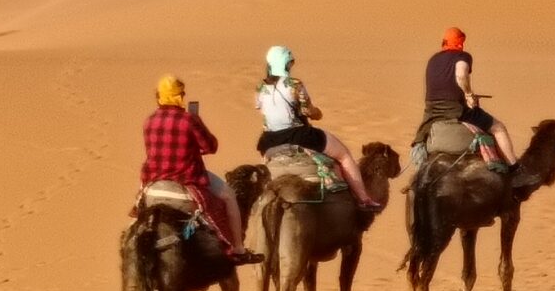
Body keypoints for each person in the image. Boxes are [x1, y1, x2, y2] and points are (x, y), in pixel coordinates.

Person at [139, 74, 253, 260]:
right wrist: (196, 126)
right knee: (229, 196)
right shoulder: (188, 120)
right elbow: (210, 147)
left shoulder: (149, 120)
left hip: (154, 181)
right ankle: (238, 249)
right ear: (179, 96)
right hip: (186, 179)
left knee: (140, 212)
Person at [255, 45, 380, 207]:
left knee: (267, 164)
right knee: (344, 155)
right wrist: (317, 113)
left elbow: (261, 109)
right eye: (290, 63)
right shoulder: (294, 84)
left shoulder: (261, 87)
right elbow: (308, 110)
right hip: (299, 135)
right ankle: (364, 199)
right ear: (286, 64)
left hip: (269, 139)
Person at [416, 27, 517, 166]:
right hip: (456, 111)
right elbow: (461, 75)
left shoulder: (433, 59)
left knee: (422, 138)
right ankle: (514, 167)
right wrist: (469, 94)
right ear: (460, 43)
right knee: (498, 128)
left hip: (431, 113)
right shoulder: (462, 56)